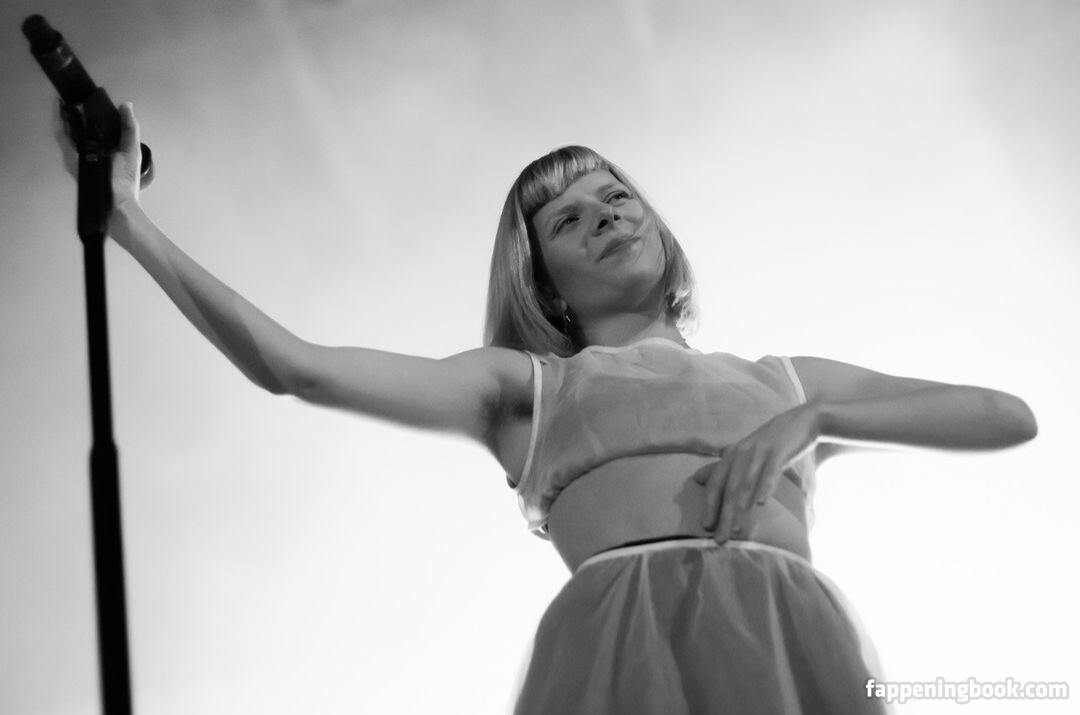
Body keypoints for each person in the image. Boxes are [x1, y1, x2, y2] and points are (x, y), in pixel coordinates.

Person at [66, 103, 1038, 714]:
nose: (606, 215)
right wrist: (126, 219)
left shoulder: (785, 379)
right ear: (546, 283)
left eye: (617, 197)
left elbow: (1005, 414)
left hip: (791, 652)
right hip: (620, 663)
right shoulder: (526, 391)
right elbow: (295, 368)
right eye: (569, 219)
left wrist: (816, 418)